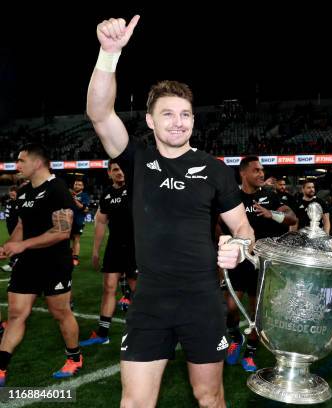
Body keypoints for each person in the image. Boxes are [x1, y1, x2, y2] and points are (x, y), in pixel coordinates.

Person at [86, 15, 252, 408]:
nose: (178, 122)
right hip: (149, 301)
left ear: (193, 119)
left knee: (209, 397)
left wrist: (241, 248)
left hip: (202, 301)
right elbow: (99, 114)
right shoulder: (136, 160)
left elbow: (243, 226)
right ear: (149, 120)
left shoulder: (214, 168)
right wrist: (108, 55)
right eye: (167, 114)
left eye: (185, 115)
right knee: (136, 401)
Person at [0, 144, 82, 386]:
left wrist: (23, 246)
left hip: (54, 263)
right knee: (15, 314)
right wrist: (9, 246)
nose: (17, 166)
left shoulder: (57, 189)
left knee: (60, 312)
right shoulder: (25, 191)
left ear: (37, 163)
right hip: (28, 263)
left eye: (21, 161)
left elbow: (62, 232)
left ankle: (75, 357)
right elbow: (21, 227)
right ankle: (1, 367)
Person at [222, 156, 296, 372]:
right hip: (238, 260)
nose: (261, 174)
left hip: (262, 262)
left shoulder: (270, 195)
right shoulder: (232, 197)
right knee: (230, 307)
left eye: (262, 170)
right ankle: (236, 337)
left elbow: (292, 218)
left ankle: (251, 352)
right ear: (243, 173)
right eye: (256, 170)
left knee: (256, 311)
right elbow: (218, 223)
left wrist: (272, 214)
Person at [80, 159, 138, 347]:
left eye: (122, 169)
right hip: (114, 247)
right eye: (115, 170)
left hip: (135, 246)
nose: (119, 172)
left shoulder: (137, 188)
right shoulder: (106, 194)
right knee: (109, 288)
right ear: (109, 173)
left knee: (138, 291)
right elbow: (101, 223)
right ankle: (102, 333)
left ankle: (143, 331)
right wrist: (96, 251)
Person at [70, 178, 90, 266]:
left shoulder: (84, 195)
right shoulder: (68, 194)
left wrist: (74, 198)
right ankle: (69, 256)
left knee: (76, 239)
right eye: (75, 184)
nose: (76, 186)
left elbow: (83, 208)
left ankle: (75, 258)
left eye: (79, 184)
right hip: (68, 221)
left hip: (78, 221)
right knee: (67, 239)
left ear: (83, 186)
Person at [1, 186, 19, 273]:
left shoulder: (20, 203)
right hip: (10, 228)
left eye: (13, 191)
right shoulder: (9, 202)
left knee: (15, 245)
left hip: (17, 229)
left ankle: (12, 264)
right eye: (10, 191)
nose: (11, 193)